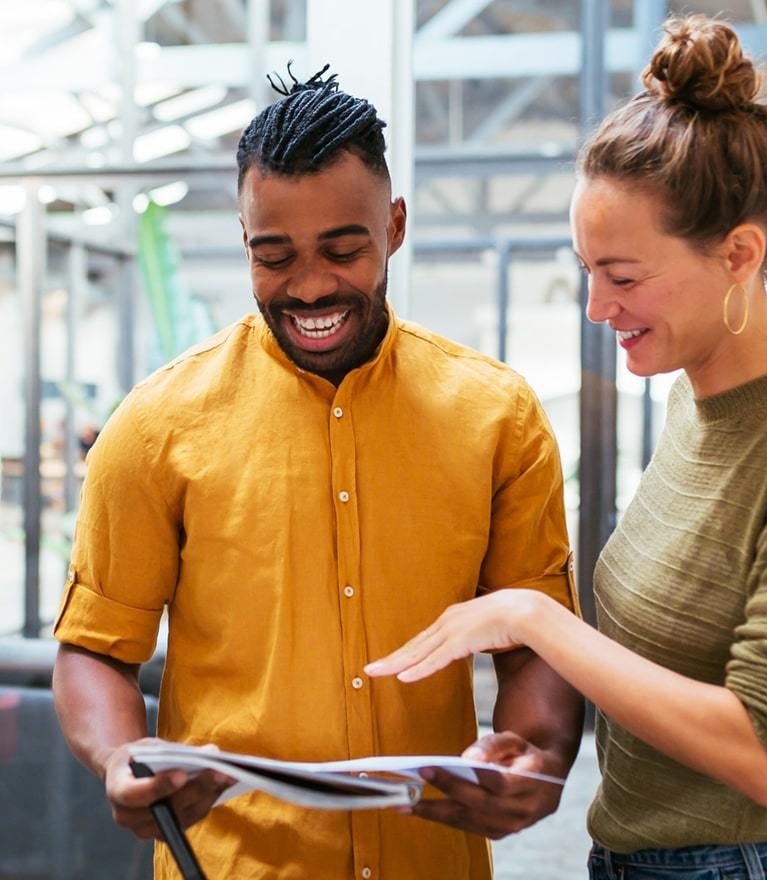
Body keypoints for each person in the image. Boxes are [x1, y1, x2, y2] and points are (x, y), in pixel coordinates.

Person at [367, 16, 767, 880]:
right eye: (587, 271)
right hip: (636, 859)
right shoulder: (696, 403)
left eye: (622, 277)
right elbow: (657, 666)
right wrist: (532, 748)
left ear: (739, 254)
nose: (597, 308)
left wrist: (534, 617)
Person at [51, 65, 585, 880]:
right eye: (274, 256)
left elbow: (536, 636)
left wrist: (540, 754)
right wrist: (121, 755)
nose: (308, 286)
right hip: (230, 865)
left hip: (429, 860)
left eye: (343, 249)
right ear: (243, 242)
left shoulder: (498, 417)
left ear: (395, 226)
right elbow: (94, 649)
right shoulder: (154, 427)